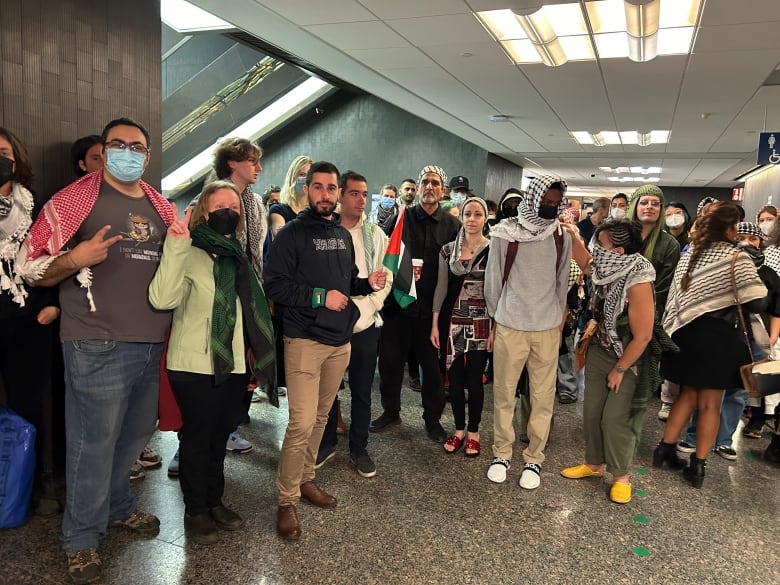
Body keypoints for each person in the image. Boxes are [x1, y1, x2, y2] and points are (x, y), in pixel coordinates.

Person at [16, 118, 174, 584]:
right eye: (119, 144)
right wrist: (74, 259)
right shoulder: (72, 200)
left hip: (151, 344)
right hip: (95, 342)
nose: (129, 152)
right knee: (92, 443)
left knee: (133, 438)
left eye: (138, 147)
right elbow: (31, 268)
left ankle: (119, 505)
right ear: (103, 151)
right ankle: (81, 537)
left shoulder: (160, 206)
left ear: (147, 155)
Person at [148, 181, 275, 545]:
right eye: (220, 204)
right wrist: (176, 243)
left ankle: (215, 500)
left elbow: (249, 315)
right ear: (204, 209)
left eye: (234, 207)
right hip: (193, 364)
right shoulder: (188, 248)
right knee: (198, 438)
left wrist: (253, 358)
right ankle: (196, 508)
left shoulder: (236, 254)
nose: (228, 211)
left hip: (233, 365)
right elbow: (162, 298)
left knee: (220, 436)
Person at [264, 161, 386, 540]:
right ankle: (286, 501)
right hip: (303, 340)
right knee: (300, 422)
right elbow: (275, 287)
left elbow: (346, 281)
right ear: (306, 189)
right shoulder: (291, 235)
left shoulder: (342, 235)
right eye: (317, 187)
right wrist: (320, 297)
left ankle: (306, 479)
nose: (325, 195)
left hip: (339, 342)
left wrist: (367, 283)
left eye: (331, 188)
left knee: (321, 418)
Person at [655, 202, 767, 489]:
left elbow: (677, 298)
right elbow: (757, 300)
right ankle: (698, 466)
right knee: (710, 404)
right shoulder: (736, 258)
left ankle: (664, 450)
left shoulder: (690, 253)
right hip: (718, 338)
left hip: (685, 335)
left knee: (687, 395)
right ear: (729, 229)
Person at [484, 175, 572, 490]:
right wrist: (498, 318)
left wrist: (558, 323)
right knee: (504, 393)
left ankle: (534, 458)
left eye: (555, 201)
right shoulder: (505, 233)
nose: (550, 205)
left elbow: (563, 282)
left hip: (547, 329)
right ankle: (502, 454)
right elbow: (492, 283)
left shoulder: (561, 235)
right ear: (532, 198)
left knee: (542, 397)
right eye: (545, 200)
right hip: (511, 325)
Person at [560, 219, 656, 504]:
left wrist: (620, 369)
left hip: (627, 355)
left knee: (615, 418)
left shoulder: (638, 279)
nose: (595, 250)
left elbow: (643, 336)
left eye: (601, 244)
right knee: (591, 412)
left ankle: (621, 476)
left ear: (619, 250)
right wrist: (571, 233)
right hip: (600, 348)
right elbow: (586, 260)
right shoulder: (606, 267)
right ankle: (594, 464)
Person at [371, 165, 460, 442]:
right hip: (397, 308)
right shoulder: (399, 220)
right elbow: (381, 255)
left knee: (432, 370)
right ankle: (391, 410)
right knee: (389, 364)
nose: (429, 187)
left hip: (432, 314)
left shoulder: (453, 226)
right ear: (417, 187)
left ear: (442, 190)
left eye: (435, 183)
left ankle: (432, 419)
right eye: (425, 182)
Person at [676, 221, 780, 459]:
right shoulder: (722, 264)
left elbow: (775, 309)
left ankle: (724, 440)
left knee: (739, 393)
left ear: (760, 241)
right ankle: (694, 437)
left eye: (752, 238)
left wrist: (771, 339)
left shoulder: (768, 274)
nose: (747, 242)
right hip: (723, 336)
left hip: (753, 340)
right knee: (708, 391)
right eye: (741, 236)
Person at [0, 128, 61, 513]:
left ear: (16, 159)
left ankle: (33, 484)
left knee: (30, 405)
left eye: (3, 151)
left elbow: (54, 257)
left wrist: (54, 304)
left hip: (27, 319)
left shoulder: (35, 206)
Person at [316, 171, 392, 477]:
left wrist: (369, 307)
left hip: (365, 323)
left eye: (365, 194)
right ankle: (326, 441)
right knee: (327, 390)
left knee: (361, 390)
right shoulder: (323, 230)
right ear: (340, 196)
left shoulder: (375, 234)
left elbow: (384, 278)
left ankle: (359, 448)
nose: (362, 200)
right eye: (355, 194)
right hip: (329, 323)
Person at [431, 198, 491, 457]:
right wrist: (434, 324)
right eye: (468, 213)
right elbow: (441, 289)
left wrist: (496, 328)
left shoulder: (494, 250)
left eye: (478, 214)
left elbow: (497, 291)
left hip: (481, 322)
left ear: (485, 218)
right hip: (453, 321)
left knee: (475, 381)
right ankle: (458, 429)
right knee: (454, 381)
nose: (472, 219)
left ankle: (474, 432)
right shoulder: (447, 251)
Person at [626, 185, 680, 317]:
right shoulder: (617, 237)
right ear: (635, 206)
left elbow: (664, 287)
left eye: (655, 204)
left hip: (648, 314)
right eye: (644, 202)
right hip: (612, 310)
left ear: (661, 209)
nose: (649, 206)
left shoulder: (670, 244)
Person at [268, 155, 312, 238]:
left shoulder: (317, 211)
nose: (305, 179)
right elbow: (281, 236)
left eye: (309, 175)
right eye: (302, 174)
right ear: (292, 177)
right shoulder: (279, 210)